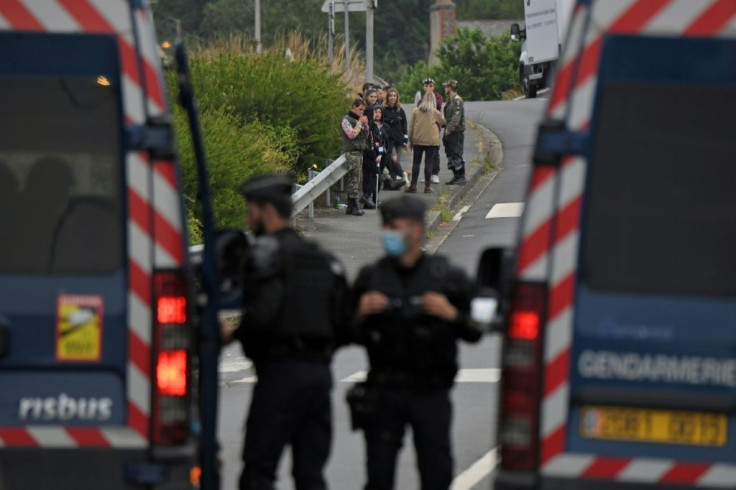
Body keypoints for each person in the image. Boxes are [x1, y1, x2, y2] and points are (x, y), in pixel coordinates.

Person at [226, 174, 354, 490]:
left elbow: (261, 317)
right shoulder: (324, 260)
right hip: (319, 378)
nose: (247, 218)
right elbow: (348, 325)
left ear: (267, 211)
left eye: (250, 210)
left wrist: (232, 334)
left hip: (279, 377)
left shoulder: (264, 255)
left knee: (258, 471)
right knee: (310, 475)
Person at [351, 195, 482, 490]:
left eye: (395, 227)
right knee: (379, 475)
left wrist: (452, 315)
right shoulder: (372, 277)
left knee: (435, 471)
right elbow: (341, 332)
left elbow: (477, 329)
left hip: (430, 391)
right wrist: (359, 313)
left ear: (417, 230)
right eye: (386, 227)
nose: (388, 234)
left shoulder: (446, 276)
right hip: (384, 390)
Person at [407, 92, 445, 194]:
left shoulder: (416, 111)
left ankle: (413, 186)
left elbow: (411, 127)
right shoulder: (435, 112)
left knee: (416, 163)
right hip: (432, 141)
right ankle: (427, 187)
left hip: (418, 140)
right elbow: (443, 122)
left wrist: (410, 140)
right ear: (433, 100)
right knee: (429, 163)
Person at [341, 98, 370, 216]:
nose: (361, 112)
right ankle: (353, 205)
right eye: (360, 109)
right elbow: (351, 135)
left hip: (359, 151)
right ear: (354, 107)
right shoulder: (345, 120)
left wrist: (366, 125)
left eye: (363, 110)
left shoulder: (359, 120)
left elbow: (366, 135)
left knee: (357, 179)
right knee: (353, 179)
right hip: (351, 152)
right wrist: (359, 124)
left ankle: (351, 206)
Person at [361, 106, 392, 206]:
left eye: (379, 112)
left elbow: (388, 142)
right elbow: (369, 142)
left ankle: (375, 198)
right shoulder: (369, 126)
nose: (378, 114)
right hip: (370, 155)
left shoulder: (386, 127)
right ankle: (366, 197)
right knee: (369, 177)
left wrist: (384, 152)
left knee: (378, 176)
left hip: (382, 155)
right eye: (376, 112)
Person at [417, 78, 443, 184]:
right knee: (426, 154)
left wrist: (429, 98)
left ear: (434, 87)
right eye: (426, 86)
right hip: (424, 130)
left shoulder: (438, 97)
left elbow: (438, 105)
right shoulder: (421, 99)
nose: (428, 88)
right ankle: (428, 174)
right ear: (423, 87)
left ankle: (435, 174)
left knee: (435, 152)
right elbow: (419, 106)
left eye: (430, 86)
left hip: (434, 129)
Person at [382, 87, 409, 188]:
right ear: (387, 97)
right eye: (391, 96)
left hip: (399, 139)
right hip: (388, 140)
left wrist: (405, 140)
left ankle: (392, 183)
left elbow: (404, 125)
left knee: (397, 161)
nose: (393, 98)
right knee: (394, 159)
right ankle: (403, 175)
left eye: (394, 96)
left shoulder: (400, 110)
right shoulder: (383, 109)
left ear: (397, 97)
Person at [442, 80, 467, 185]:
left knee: (457, 153)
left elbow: (456, 117)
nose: (445, 89)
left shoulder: (457, 101)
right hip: (449, 132)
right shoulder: (450, 100)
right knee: (450, 154)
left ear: (450, 88)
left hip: (456, 132)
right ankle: (455, 176)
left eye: (446, 87)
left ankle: (461, 177)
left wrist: (449, 128)